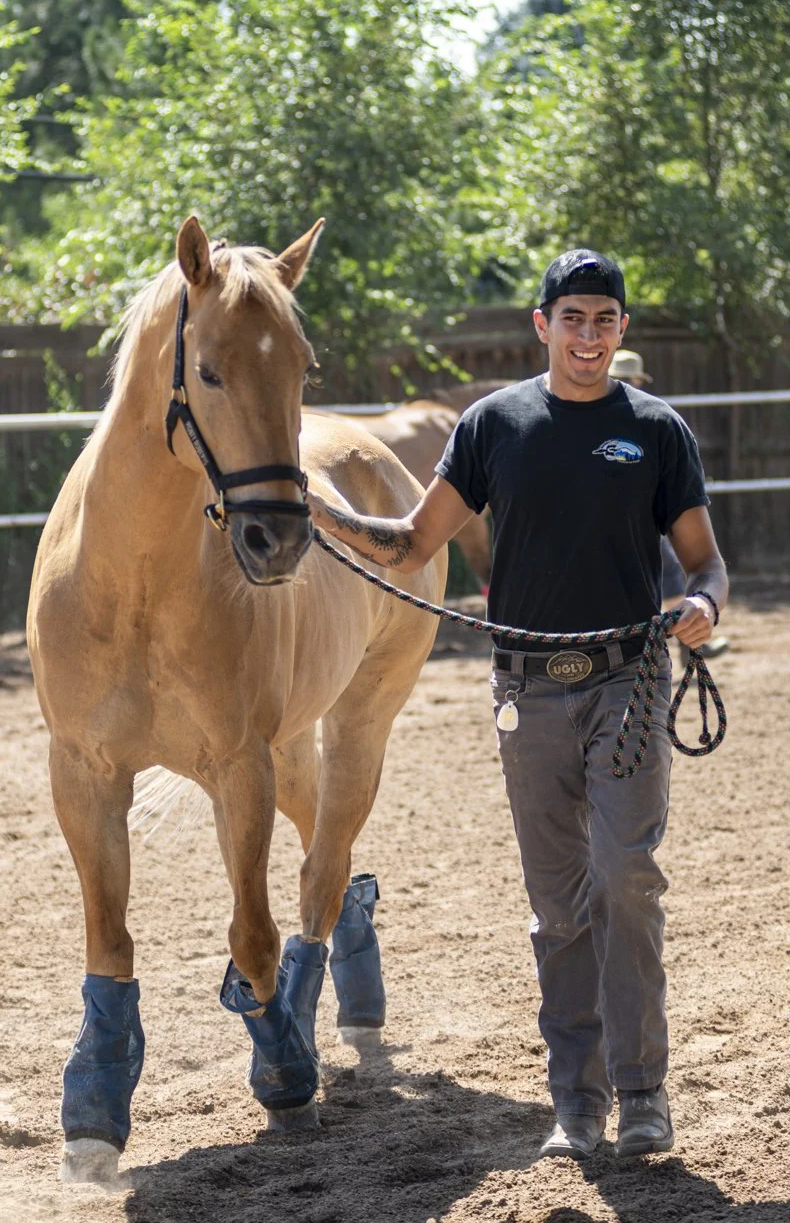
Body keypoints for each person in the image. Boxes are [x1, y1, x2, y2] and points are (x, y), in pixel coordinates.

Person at [307, 248, 729, 1161]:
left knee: (626, 876)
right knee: (558, 906)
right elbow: (414, 541)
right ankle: (576, 1104)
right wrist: (318, 509)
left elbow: (704, 558)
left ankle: (644, 1092)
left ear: (623, 331)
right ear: (542, 325)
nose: (587, 335)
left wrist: (701, 603)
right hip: (527, 695)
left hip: (631, 684)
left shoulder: (657, 431)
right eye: (571, 318)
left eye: (603, 320)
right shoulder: (494, 426)